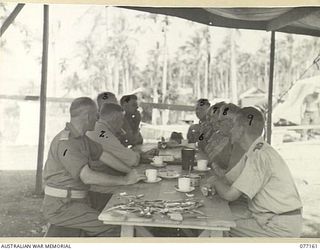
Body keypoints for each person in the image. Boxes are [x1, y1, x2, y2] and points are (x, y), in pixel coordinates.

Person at [42, 97, 145, 236]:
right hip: (62, 207)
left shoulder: (82, 138)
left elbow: (104, 155)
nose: (98, 119)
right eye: (96, 115)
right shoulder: (66, 142)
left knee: (126, 218)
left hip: (78, 201)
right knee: (115, 228)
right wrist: (125, 180)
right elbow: (87, 177)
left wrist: (132, 173)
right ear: (88, 116)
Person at [202, 107, 303, 237]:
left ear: (241, 129)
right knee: (216, 220)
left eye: (234, 126)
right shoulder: (254, 151)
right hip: (270, 218)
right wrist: (214, 181)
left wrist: (213, 181)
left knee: (217, 227)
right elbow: (227, 179)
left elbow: (230, 195)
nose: (230, 130)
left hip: (279, 227)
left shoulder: (260, 156)